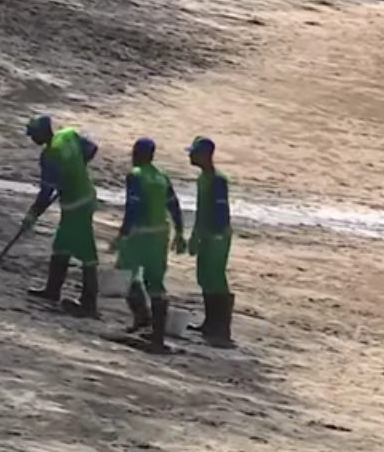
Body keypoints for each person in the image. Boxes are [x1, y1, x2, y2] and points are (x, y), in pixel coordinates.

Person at [111, 138, 187, 353]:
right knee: (155, 283)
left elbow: (132, 208)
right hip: (161, 234)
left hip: (140, 235)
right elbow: (173, 204)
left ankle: (141, 317)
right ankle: (157, 333)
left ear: (136, 153)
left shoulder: (135, 176)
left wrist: (122, 234)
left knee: (125, 275)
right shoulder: (161, 177)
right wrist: (180, 231)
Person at [23, 115, 101, 318]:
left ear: (41, 134)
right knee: (62, 246)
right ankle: (53, 290)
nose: (32, 140)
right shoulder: (68, 135)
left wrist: (32, 214)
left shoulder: (49, 156)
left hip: (76, 204)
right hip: (85, 197)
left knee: (86, 253)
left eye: (33, 135)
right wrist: (76, 168)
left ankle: (89, 302)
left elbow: (46, 192)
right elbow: (91, 149)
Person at [186, 136, 235, 348]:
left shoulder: (217, 180)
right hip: (206, 234)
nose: (190, 156)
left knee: (215, 277)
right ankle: (210, 322)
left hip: (217, 235)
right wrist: (196, 235)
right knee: (204, 276)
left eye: (194, 153)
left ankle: (221, 327)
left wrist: (214, 234)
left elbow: (220, 211)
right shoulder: (203, 179)